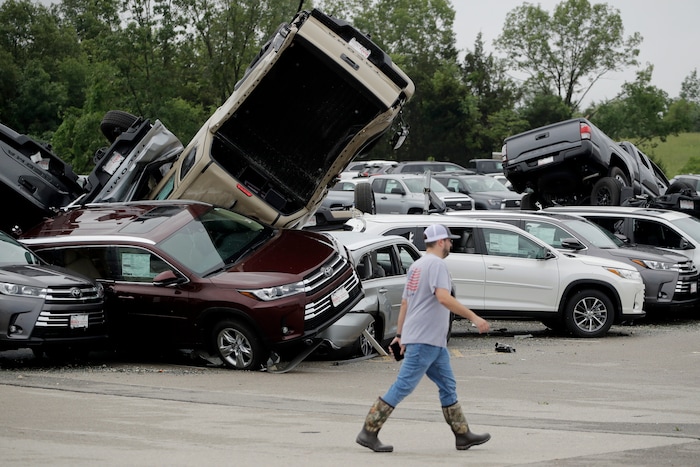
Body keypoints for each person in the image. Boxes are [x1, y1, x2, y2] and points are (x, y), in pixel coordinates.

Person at [356, 224, 491, 453]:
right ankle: (369, 431)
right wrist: (474, 317)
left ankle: (462, 434)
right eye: (449, 240)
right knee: (403, 386)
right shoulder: (437, 264)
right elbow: (443, 297)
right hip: (425, 339)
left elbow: (406, 302)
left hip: (431, 341)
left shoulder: (416, 266)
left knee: (448, 385)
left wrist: (400, 335)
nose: (451, 244)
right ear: (440, 242)